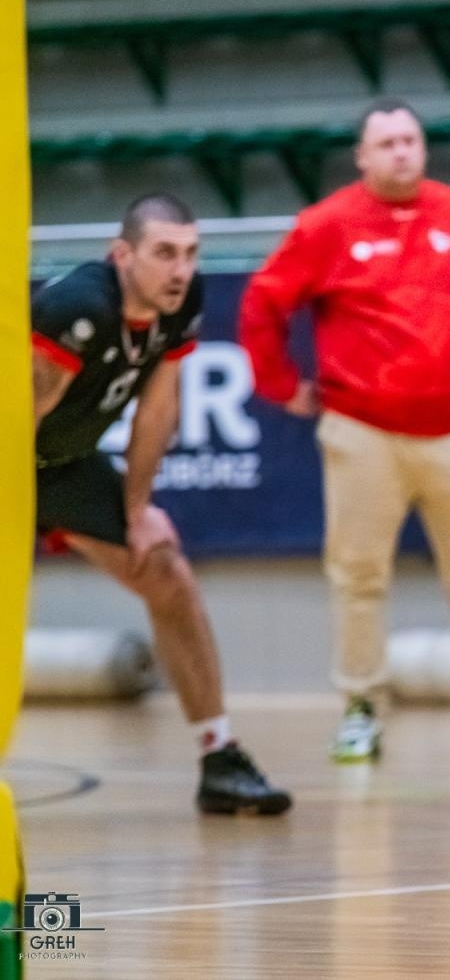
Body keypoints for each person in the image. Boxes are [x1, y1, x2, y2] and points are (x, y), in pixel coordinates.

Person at [238, 99, 450, 762]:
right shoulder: (326, 225)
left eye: (410, 139)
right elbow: (263, 301)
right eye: (386, 143)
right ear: (362, 156)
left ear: (423, 147)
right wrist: (280, 386)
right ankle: (360, 708)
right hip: (362, 430)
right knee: (358, 576)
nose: (401, 151)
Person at [32, 193, 292, 816]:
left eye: (191, 253)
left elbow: (157, 411)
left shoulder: (182, 304)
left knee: (167, 573)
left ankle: (220, 757)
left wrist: (138, 506)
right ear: (122, 255)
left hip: (62, 466)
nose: (180, 270)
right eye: (164, 254)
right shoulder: (76, 308)